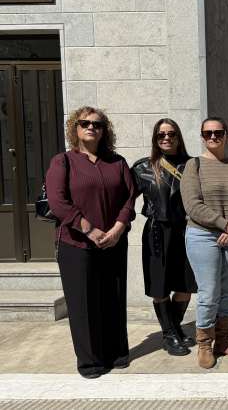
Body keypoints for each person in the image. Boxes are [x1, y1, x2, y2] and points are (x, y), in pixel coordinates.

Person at [45, 106, 136, 379]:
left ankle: (116, 353)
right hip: (76, 244)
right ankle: (90, 362)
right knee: (83, 304)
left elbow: (129, 198)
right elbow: (58, 202)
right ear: (75, 128)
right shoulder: (63, 161)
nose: (91, 128)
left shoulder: (117, 162)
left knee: (113, 299)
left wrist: (118, 229)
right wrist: (89, 229)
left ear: (104, 130)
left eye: (97, 124)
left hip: (114, 242)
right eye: (84, 123)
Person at [181, 117, 228, 369]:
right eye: (208, 133)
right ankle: (204, 344)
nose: (213, 136)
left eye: (218, 132)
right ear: (202, 136)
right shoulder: (194, 166)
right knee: (209, 291)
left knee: (226, 289)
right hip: (203, 235)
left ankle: (222, 340)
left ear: (227, 135)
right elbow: (192, 205)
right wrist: (225, 225)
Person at [132, 119, 196, 357]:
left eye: (171, 134)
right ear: (155, 139)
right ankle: (170, 335)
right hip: (157, 233)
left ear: (178, 137)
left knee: (185, 286)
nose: (166, 138)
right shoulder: (143, 167)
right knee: (160, 287)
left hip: (186, 231)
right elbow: (124, 199)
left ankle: (174, 328)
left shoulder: (192, 165)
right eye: (161, 135)